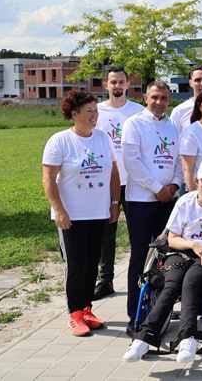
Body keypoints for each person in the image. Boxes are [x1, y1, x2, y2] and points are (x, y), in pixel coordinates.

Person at [122, 160, 202, 363]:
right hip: (182, 251)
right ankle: (143, 338)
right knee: (171, 284)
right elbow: (172, 238)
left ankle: (188, 337)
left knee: (191, 282)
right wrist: (193, 244)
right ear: (196, 181)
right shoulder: (185, 201)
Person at [42, 90, 120, 336]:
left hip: (98, 213)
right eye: (89, 111)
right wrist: (59, 210)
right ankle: (74, 313)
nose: (94, 115)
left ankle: (86, 309)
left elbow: (113, 172)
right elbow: (48, 179)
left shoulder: (103, 138)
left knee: (92, 263)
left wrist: (115, 202)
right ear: (74, 114)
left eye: (96, 111)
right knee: (76, 264)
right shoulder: (59, 141)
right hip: (71, 215)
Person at [122, 81, 183, 336]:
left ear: (170, 100)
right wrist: (157, 187)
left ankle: (159, 308)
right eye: (155, 97)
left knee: (166, 256)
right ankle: (135, 313)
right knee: (140, 256)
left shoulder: (172, 126)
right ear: (146, 97)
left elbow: (179, 160)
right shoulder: (134, 124)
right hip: (141, 201)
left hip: (167, 201)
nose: (159, 102)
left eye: (164, 98)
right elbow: (131, 162)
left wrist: (174, 186)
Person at [93, 67, 144, 301]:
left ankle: (143, 279)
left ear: (127, 84)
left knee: (139, 235)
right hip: (107, 183)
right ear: (106, 85)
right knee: (106, 234)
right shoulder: (97, 112)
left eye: (121, 82)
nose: (117, 86)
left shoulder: (138, 112)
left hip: (134, 183)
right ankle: (106, 280)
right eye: (113, 82)